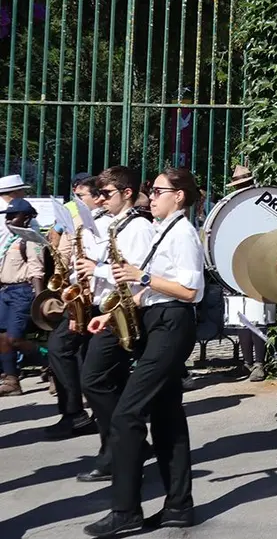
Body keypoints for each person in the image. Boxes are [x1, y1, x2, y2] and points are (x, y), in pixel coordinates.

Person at [83, 168, 205, 536]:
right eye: (151, 191)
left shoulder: (183, 234)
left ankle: (125, 510)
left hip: (173, 324)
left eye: (158, 191)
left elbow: (189, 291)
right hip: (157, 319)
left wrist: (142, 276)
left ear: (179, 196)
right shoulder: (164, 229)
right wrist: (112, 314)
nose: (150, 197)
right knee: (168, 417)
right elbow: (153, 290)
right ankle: (179, 506)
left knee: (126, 416)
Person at [74, 166, 155, 484]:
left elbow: (135, 272)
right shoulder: (111, 225)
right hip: (107, 309)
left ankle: (122, 447)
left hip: (124, 311)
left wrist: (99, 269)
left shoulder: (138, 228)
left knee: (92, 380)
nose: (100, 199)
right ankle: (126, 447)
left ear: (127, 193)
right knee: (113, 383)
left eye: (106, 194)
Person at [44, 175, 103, 438]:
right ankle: (89, 416)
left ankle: (77, 414)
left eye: (81, 197)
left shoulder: (99, 223)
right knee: (81, 354)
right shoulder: (83, 222)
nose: (76, 202)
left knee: (61, 348)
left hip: (92, 297)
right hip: (81, 295)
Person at [0, 198, 46, 396]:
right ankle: (11, 379)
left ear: (26, 218)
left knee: (14, 339)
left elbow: (37, 271)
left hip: (22, 291)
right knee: (2, 338)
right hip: (5, 291)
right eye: (7, 216)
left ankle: (50, 362)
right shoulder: (12, 240)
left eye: (13, 216)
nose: (8, 220)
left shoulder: (31, 240)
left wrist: (39, 299)